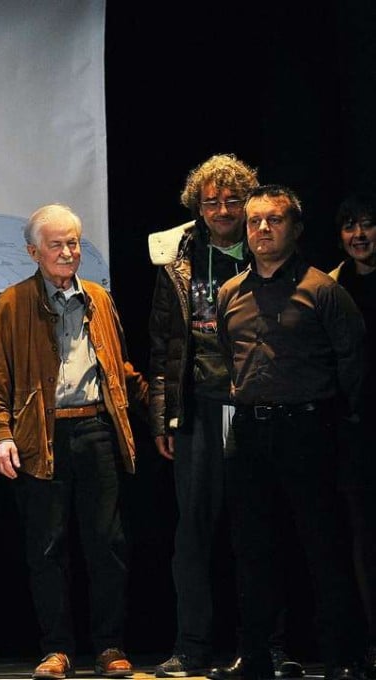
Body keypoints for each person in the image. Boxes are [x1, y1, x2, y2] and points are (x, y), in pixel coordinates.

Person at [147, 154, 301, 679]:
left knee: (257, 528)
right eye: (210, 201)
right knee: (192, 532)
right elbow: (163, 345)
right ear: (198, 204)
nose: (222, 209)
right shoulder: (177, 257)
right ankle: (191, 646)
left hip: (255, 407)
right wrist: (164, 416)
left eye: (233, 200)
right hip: (198, 409)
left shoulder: (266, 253)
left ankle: (267, 646)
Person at [0, 204, 146, 680]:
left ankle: (110, 645)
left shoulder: (98, 296)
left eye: (73, 242)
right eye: (56, 244)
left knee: (108, 542)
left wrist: (161, 403)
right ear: (34, 252)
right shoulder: (11, 304)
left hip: (96, 429)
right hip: (41, 435)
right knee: (48, 547)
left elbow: (121, 367)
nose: (67, 252)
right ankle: (56, 648)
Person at [217, 185, 366, 680]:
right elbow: (224, 358)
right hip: (250, 435)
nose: (262, 229)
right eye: (255, 220)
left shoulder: (323, 289)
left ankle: (344, 657)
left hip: (308, 429)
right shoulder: (229, 293)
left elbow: (354, 363)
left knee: (323, 546)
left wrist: (338, 422)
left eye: (274, 220)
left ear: (294, 229)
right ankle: (256, 653)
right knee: (252, 549)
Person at [329, 193, 376, 677]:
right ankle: (366, 645)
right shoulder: (333, 287)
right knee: (361, 544)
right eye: (349, 225)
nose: (358, 234)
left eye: (367, 224)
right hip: (356, 436)